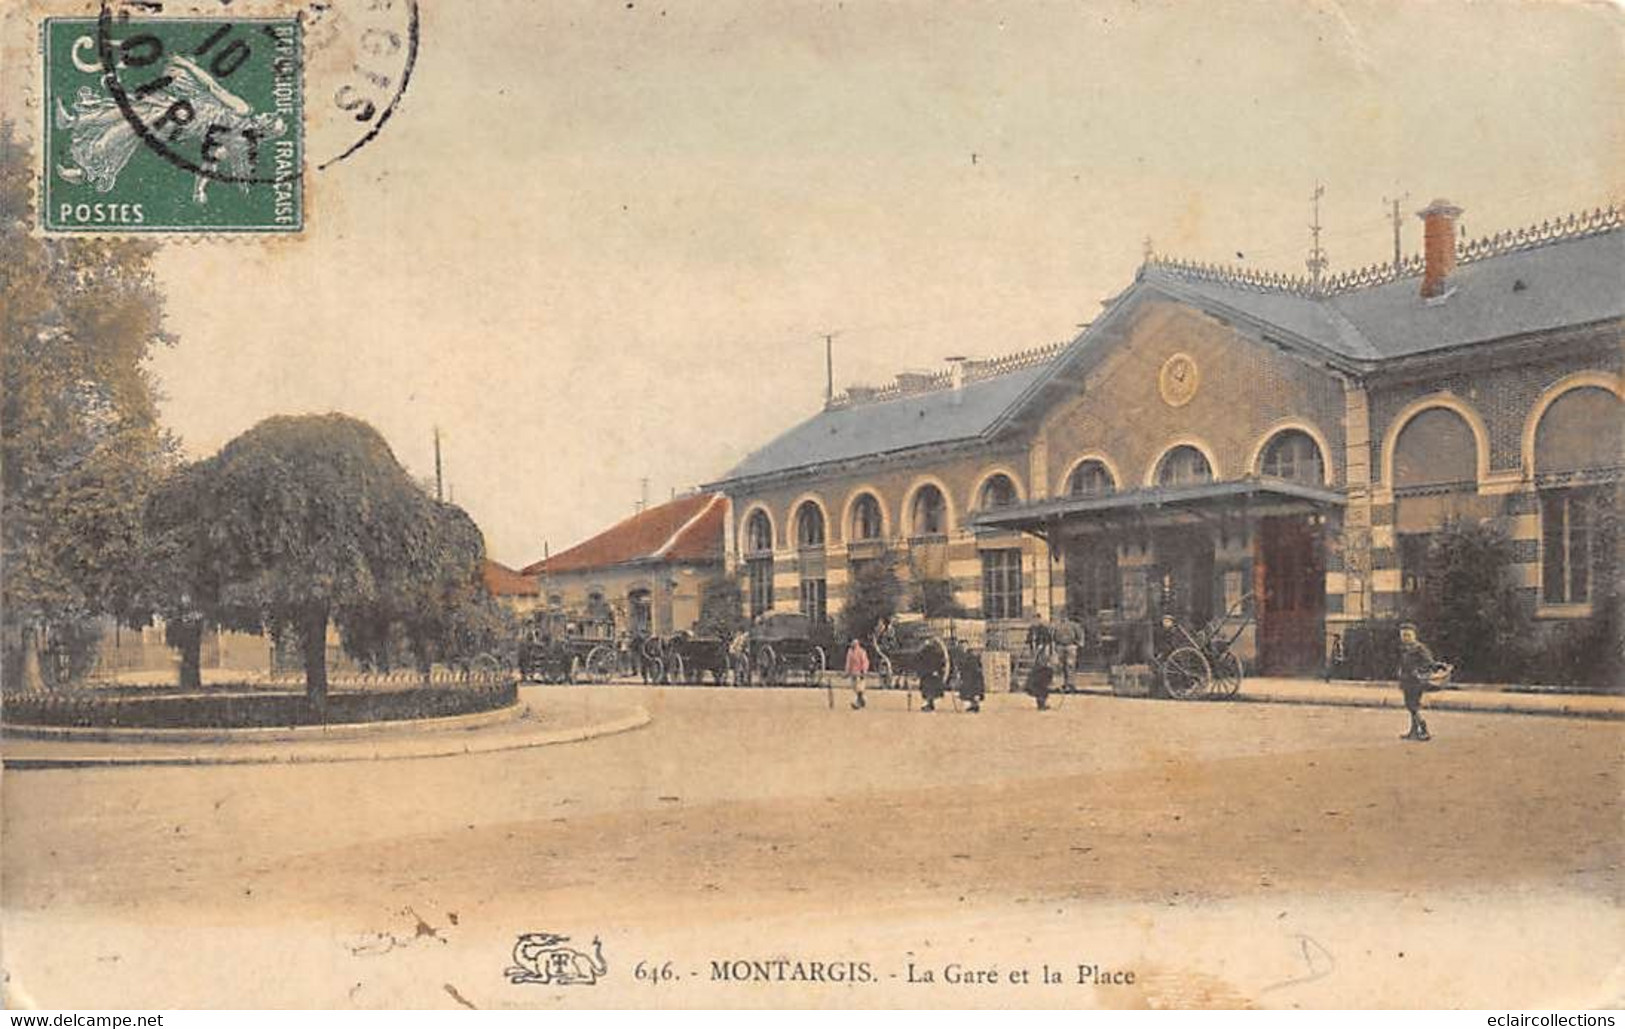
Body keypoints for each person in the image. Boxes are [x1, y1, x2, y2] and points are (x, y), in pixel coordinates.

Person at [1397, 622, 1450, 742]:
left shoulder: (1420, 648)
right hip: (1406, 680)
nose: (1405, 638)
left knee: (1413, 706)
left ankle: (1423, 728)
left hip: (1416, 680)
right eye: (1403, 635)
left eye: (1408, 635)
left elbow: (1429, 663)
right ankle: (1413, 731)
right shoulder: (1404, 648)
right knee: (1410, 706)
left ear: (1414, 635)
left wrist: (1419, 670)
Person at [1025, 641, 1056, 710]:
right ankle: (1041, 704)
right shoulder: (1041, 651)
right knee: (1041, 687)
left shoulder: (1044, 650)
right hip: (1041, 670)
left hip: (1043, 669)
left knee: (1043, 688)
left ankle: (1042, 704)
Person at [844, 637, 870, 710]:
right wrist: (847, 672)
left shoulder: (862, 652)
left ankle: (857, 703)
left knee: (859, 689)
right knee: (854, 688)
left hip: (860, 673)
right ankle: (862, 701)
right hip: (853, 673)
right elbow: (848, 663)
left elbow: (865, 662)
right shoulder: (850, 652)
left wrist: (864, 671)